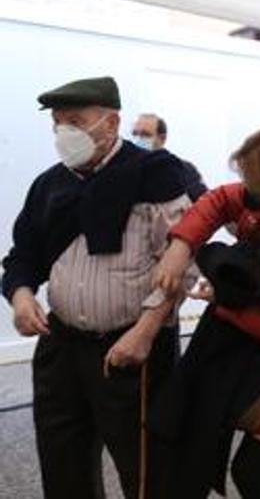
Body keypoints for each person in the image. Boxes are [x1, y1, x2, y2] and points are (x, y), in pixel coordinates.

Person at [1, 76, 190, 499]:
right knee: (63, 465)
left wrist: (145, 331)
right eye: (57, 124)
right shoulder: (51, 184)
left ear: (111, 122)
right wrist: (21, 295)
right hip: (62, 347)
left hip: (131, 348)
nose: (64, 133)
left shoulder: (155, 174)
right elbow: (22, 255)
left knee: (146, 472)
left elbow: (183, 262)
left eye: (76, 121)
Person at [146, 127, 260, 499]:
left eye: (249, 176)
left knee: (252, 471)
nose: (244, 185)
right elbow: (219, 200)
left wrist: (222, 302)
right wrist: (181, 247)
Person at [133, 112, 208, 199]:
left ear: (162, 139)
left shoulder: (184, 170)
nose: (137, 139)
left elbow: (202, 202)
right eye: (135, 134)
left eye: (145, 135)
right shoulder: (125, 169)